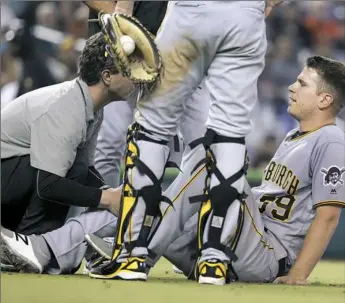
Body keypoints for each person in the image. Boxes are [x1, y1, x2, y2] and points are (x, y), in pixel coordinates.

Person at [3, 56, 344, 286]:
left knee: (216, 158)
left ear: (325, 99)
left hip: (268, 254)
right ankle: (42, 250)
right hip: (231, 241)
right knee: (137, 199)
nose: (292, 87)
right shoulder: (295, 135)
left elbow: (328, 217)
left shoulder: (331, 140)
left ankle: (136, 251)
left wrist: (298, 275)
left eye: (302, 83)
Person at [85, 0, 282, 283]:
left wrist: (124, 9)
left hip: (192, 11)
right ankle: (214, 261)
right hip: (246, 15)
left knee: (151, 126)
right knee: (230, 132)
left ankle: (133, 255)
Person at [1, 32, 135, 236]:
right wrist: (106, 198)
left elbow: (85, 170)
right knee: (64, 170)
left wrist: (114, 193)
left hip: (12, 180)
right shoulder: (67, 109)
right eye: (129, 70)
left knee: (75, 167)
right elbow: (48, 185)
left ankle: (39, 243)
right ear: (107, 77)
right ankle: (30, 241)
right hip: (10, 178)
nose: (136, 76)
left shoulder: (89, 105)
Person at [84, 1, 168, 188]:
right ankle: (104, 213)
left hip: (160, 47)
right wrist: (119, 18)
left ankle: (147, 213)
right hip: (111, 47)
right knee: (107, 145)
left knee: (158, 141)